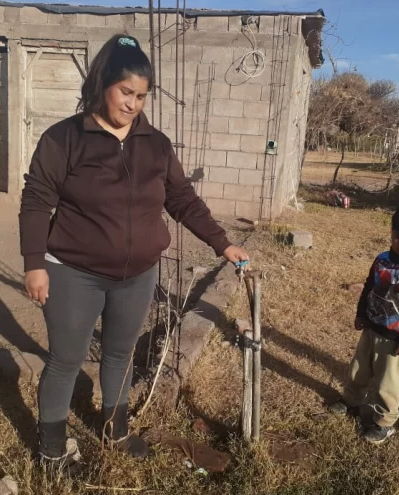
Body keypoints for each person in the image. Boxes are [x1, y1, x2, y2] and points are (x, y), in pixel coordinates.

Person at [19, 34, 250, 471]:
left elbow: (182, 200)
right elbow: (36, 201)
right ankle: (51, 448)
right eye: (126, 92)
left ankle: (115, 429)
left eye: (141, 97)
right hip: (72, 271)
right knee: (66, 359)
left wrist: (223, 242)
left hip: (138, 275)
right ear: (103, 82)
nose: (132, 104)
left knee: (120, 355)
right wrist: (34, 264)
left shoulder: (156, 145)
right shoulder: (65, 137)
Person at [329, 205, 399, 444]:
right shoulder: (382, 260)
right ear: (391, 234)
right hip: (371, 329)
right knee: (359, 370)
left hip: (396, 339)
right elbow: (369, 287)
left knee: (388, 382)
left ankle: (384, 422)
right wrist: (361, 314)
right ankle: (351, 401)